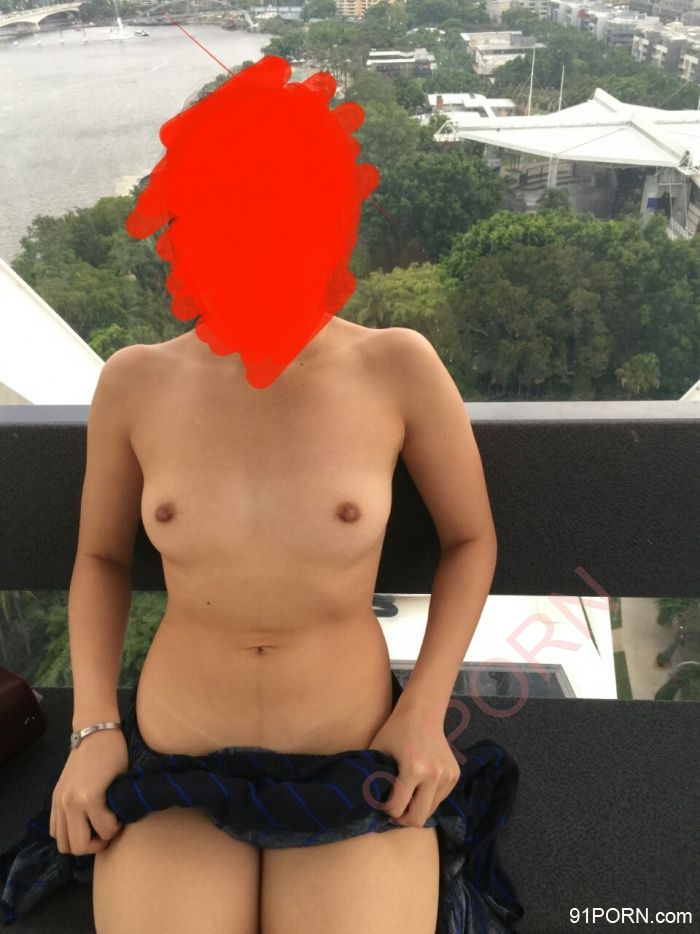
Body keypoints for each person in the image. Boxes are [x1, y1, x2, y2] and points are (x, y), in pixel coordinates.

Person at [39, 57, 513, 934]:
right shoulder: (135, 383)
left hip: (354, 755)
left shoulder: (395, 367)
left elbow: (470, 539)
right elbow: (100, 557)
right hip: (175, 760)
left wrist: (423, 711)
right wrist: (93, 727)